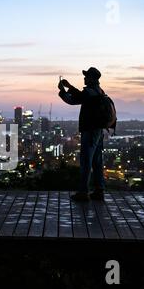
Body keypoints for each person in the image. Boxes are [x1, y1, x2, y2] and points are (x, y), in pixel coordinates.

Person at [58, 67, 106, 201]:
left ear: (91, 78)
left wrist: (62, 91)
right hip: (98, 131)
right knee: (97, 161)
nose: (84, 78)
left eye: (86, 76)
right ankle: (99, 190)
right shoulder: (99, 91)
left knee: (86, 161)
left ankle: (83, 192)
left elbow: (73, 99)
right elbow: (80, 95)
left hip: (89, 131)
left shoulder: (89, 92)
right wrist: (69, 86)